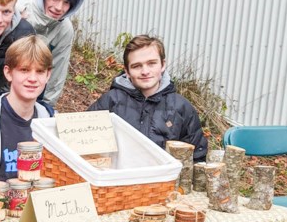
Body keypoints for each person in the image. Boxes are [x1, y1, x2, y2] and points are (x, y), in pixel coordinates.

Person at [87, 34, 208, 162]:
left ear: (162, 65)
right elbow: (82, 142)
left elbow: (197, 157)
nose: (145, 71)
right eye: (136, 66)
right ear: (127, 71)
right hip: (118, 178)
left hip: (164, 180)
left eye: (151, 63)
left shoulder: (181, 107)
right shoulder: (110, 101)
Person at [0, 35, 55, 180]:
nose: (32, 79)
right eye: (24, 70)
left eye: (39, 71)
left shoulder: (49, 119)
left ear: (48, 75)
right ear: (8, 72)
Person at [16, 0, 84, 108]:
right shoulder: (18, 5)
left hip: (35, 86)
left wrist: (46, 107)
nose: (59, 7)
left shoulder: (64, 29)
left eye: (66, 2)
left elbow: (57, 72)